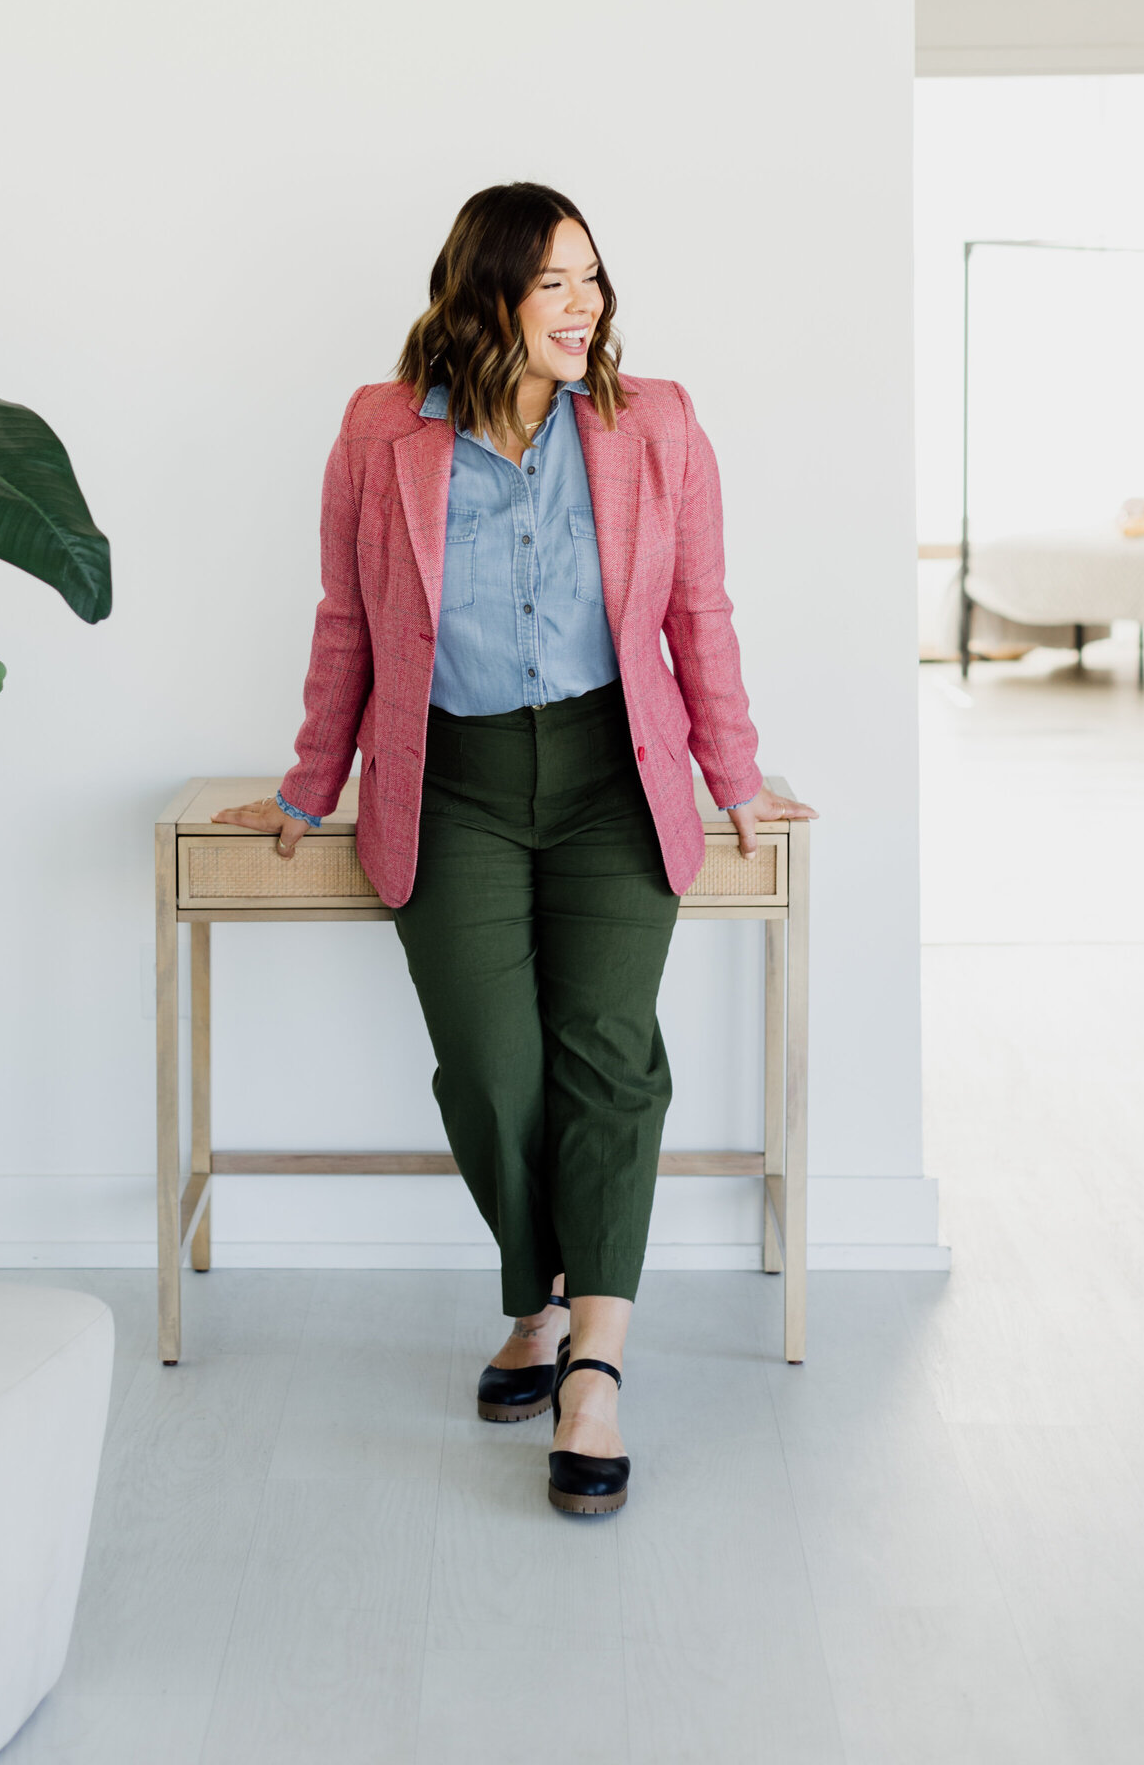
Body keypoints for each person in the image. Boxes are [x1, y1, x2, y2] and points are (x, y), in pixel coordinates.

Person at [215, 182, 814, 1515]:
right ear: (484, 291)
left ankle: (588, 1358)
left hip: (614, 770)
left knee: (608, 1051)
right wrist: (309, 787)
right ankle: (535, 1296)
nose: (586, 304)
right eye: (554, 281)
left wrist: (735, 772)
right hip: (455, 782)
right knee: (491, 1068)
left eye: (594, 278)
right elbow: (346, 624)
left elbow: (698, 611)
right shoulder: (384, 431)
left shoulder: (652, 419)